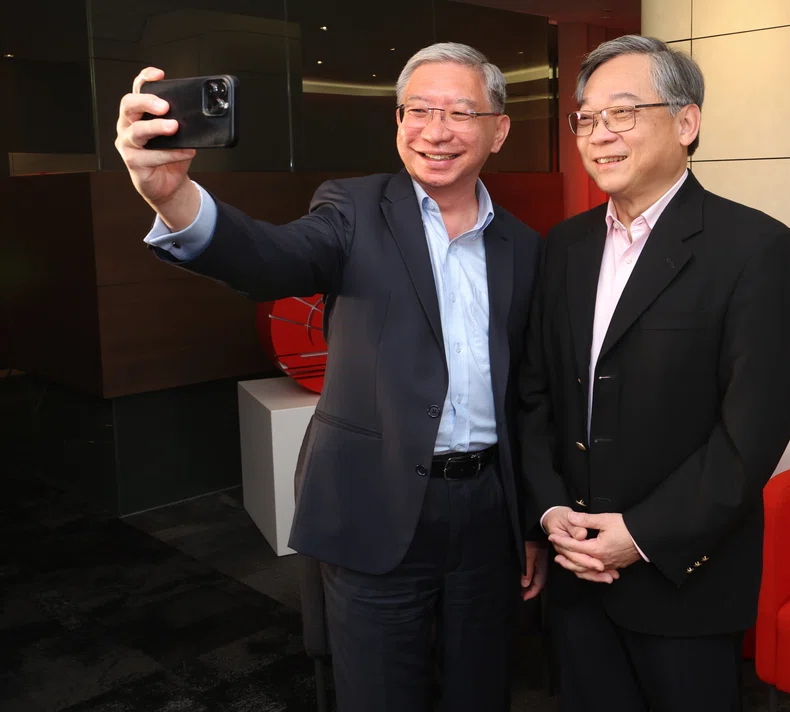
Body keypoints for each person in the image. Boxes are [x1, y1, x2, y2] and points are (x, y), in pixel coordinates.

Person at [114, 42, 548, 712]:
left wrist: (530, 523)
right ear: (397, 121)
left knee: (483, 688)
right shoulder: (352, 208)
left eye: (460, 112)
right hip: (375, 504)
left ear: (499, 127)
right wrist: (174, 197)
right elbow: (269, 258)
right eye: (418, 111)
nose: (435, 131)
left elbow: (527, 395)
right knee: (377, 694)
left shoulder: (523, 245)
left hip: (488, 513)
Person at [519, 35, 790, 712]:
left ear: (686, 122)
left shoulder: (754, 248)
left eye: (621, 113)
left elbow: (751, 434)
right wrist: (550, 508)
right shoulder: (564, 246)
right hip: (574, 572)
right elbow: (536, 396)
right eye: (585, 118)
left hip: (685, 582)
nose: (597, 135)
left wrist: (641, 536)